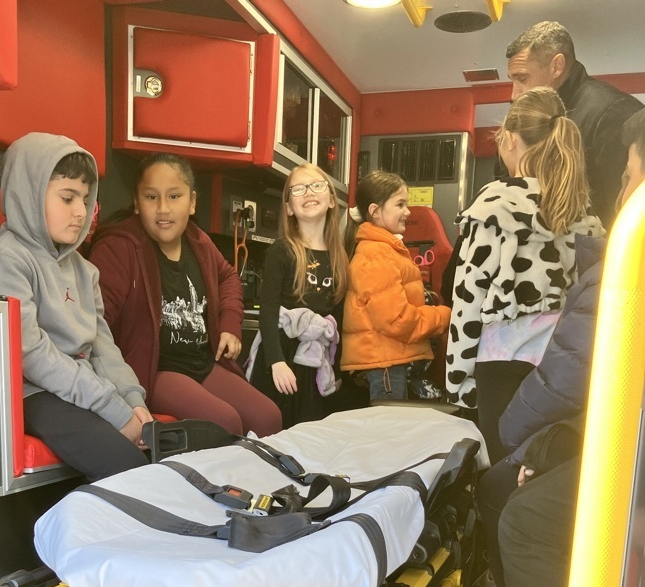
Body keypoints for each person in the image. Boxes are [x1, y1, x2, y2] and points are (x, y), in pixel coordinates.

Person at [449, 107, 645, 587]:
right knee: (510, 487)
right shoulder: (588, 225)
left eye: (630, 177)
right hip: (586, 410)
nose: (623, 190)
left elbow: (470, 305)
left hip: (520, 378)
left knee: (521, 515)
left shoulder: (496, 208)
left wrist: (463, 393)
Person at [0, 133, 153, 482]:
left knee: (158, 455)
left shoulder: (85, 269)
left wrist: (133, 401)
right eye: (67, 198)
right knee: (128, 467)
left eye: (85, 198)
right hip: (30, 392)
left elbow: (103, 346)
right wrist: (113, 409)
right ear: (30, 195)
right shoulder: (2, 258)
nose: (81, 211)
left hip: (80, 388)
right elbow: (32, 355)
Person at [445, 87, 604, 461]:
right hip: (562, 367)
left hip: (503, 359)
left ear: (511, 140)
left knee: (503, 468)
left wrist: (457, 379)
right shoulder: (585, 217)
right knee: (549, 466)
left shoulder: (494, 206)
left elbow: (468, 298)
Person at [88, 154, 281, 438]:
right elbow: (95, 322)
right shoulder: (118, 248)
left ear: (192, 202)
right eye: (151, 197)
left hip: (201, 364)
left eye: (174, 196)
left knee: (268, 417)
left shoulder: (198, 241)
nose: (163, 208)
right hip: (154, 372)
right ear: (137, 203)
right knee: (224, 422)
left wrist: (230, 323)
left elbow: (228, 277)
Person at [505, 20, 643, 230]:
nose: (514, 94)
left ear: (557, 66)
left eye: (522, 78)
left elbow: (629, 210)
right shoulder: (533, 119)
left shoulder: (611, 112)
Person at [247, 163, 349, 428]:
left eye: (316, 185)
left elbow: (338, 319)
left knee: (311, 433)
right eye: (299, 189)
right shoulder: (281, 251)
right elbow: (268, 312)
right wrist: (276, 362)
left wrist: (336, 370)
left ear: (331, 201)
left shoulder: (339, 258)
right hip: (282, 357)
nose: (309, 192)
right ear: (289, 207)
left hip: (316, 362)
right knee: (279, 433)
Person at [341, 171, 451, 403]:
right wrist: (444, 316)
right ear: (375, 211)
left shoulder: (386, 250)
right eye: (400, 204)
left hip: (388, 360)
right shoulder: (378, 254)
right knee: (389, 424)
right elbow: (397, 320)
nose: (408, 211)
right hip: (386, 365)